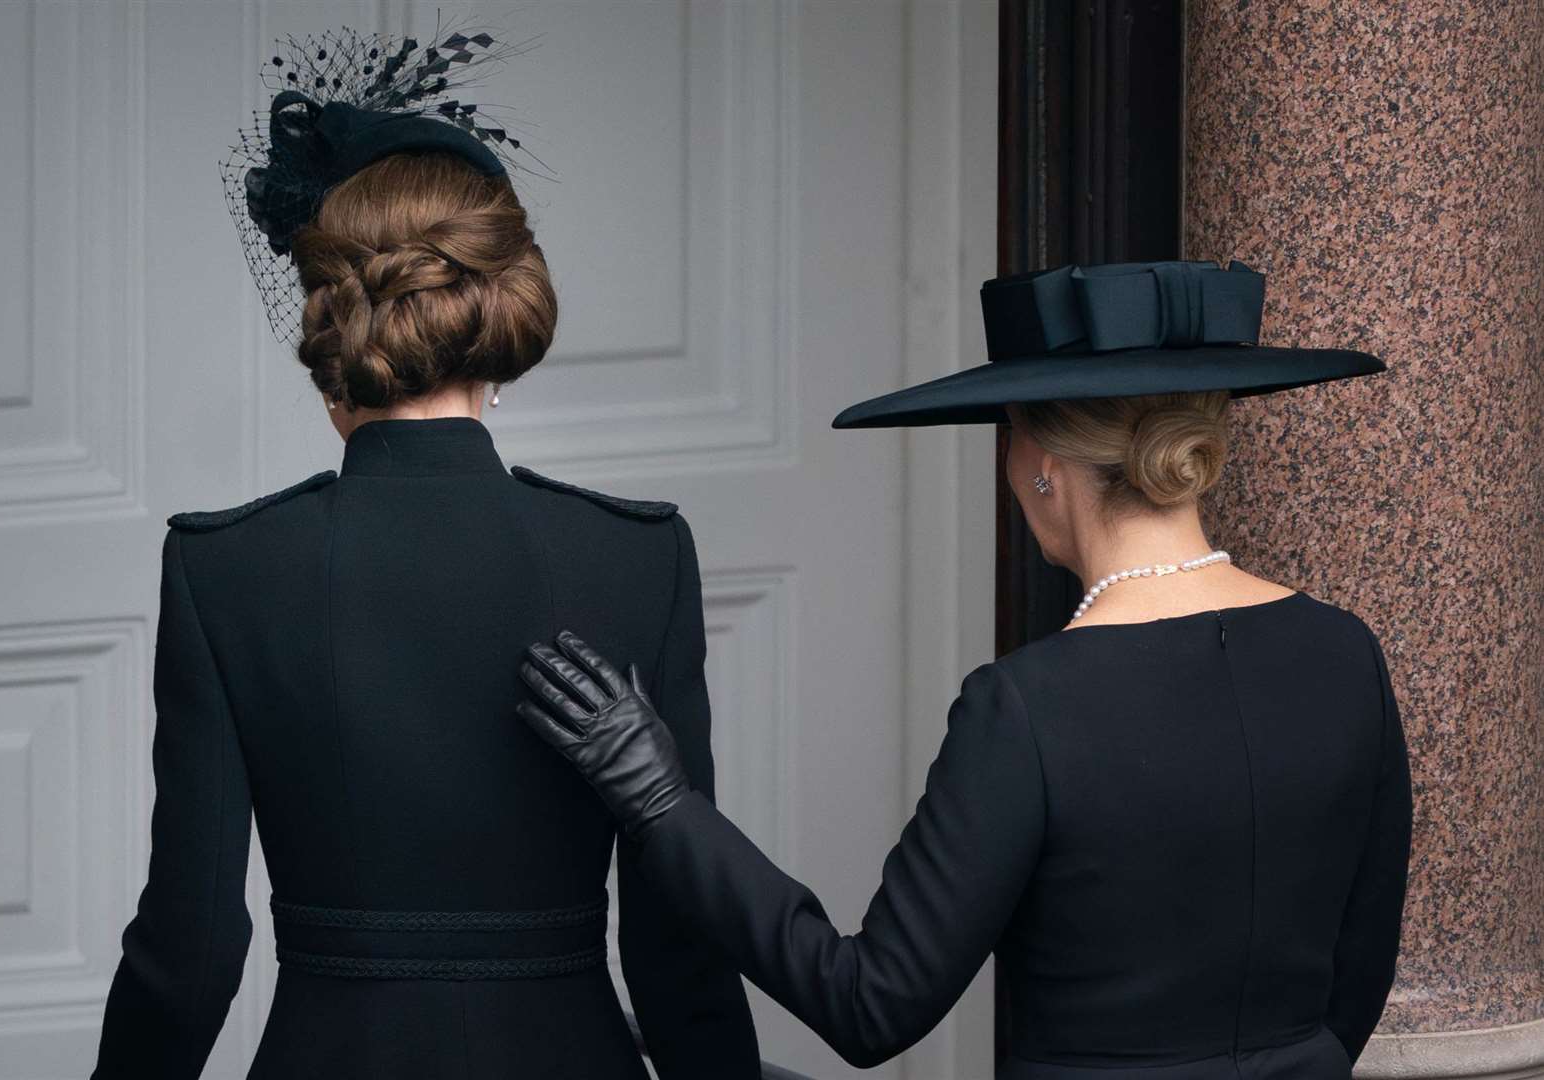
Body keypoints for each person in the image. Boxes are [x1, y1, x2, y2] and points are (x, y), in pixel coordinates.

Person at [517, 261, 1413, 1078]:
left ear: (1043, 467)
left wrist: (663, 803)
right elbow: (1356, 986)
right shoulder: (1345, 654)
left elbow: (870, 1005)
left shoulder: (1027, 709)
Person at [92, 26, 758, 1080]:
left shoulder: (226, 570)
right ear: (494, 308)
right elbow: (680, 940)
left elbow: (194, 947)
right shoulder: (639, 557)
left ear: (329, 325)